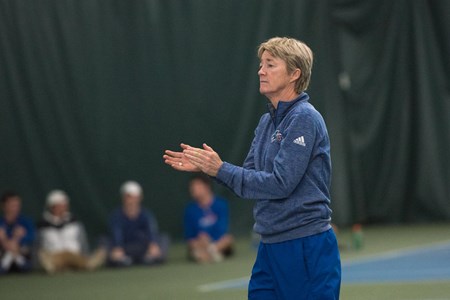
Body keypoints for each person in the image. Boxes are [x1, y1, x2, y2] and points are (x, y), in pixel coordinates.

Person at [164, 37, 341, 299]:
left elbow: (281, 183)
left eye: (270, 64)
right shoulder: (265, 123)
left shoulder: (305, 118)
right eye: (261, 64)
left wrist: (220, 168)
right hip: (269, 246)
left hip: (305, 246)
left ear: (294, 74)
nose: (261, 71)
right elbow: (250, 179)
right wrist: (211, 169)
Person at [37, 190, 106, 274]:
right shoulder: (42, 225)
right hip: (55, 256)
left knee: (74, 257)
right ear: (53, 206)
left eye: (65, 205)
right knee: (50, 258)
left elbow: (82, 242)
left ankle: (88, 263)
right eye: (61, 205)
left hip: (74, 255)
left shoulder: (74, 222)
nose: (64, 207)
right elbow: (39, 245)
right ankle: (52, 266)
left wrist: (84, 253)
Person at [108, 181, 168, 267]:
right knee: (105, 244)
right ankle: (124, 260)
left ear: (140, 198)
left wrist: (153, 245)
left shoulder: (146, 215)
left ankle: (147, 258)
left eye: (135, 197)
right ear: (124, 198)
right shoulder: (116, 216)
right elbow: (116, 234)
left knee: (163, 239)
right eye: (129, 197)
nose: (132, 200)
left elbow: (152, 233)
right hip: (125, 248)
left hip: (143, 247)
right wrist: (117, 248)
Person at [184, 174, 234, 263]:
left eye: (197, 186)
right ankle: (209, 254)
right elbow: (190, 236)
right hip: (200, 243)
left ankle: (211, 251)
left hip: (217, 242)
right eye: (192, 187)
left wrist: (210, 241)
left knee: (228, 239)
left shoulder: (221, 204)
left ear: (207, 187)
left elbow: (222, 228)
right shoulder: (190, 210)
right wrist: (201, 239)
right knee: (193, 245)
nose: (194, 190)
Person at [0, 191, 35, 274]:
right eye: (12, 205)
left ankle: (12, 259)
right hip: (3, 254)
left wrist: (17, 241)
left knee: (25, 250)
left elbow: (31, 236)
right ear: (4, 206)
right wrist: (4, 241)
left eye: (17, 205)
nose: (15, 208)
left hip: (20, 254)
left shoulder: (26, 221)